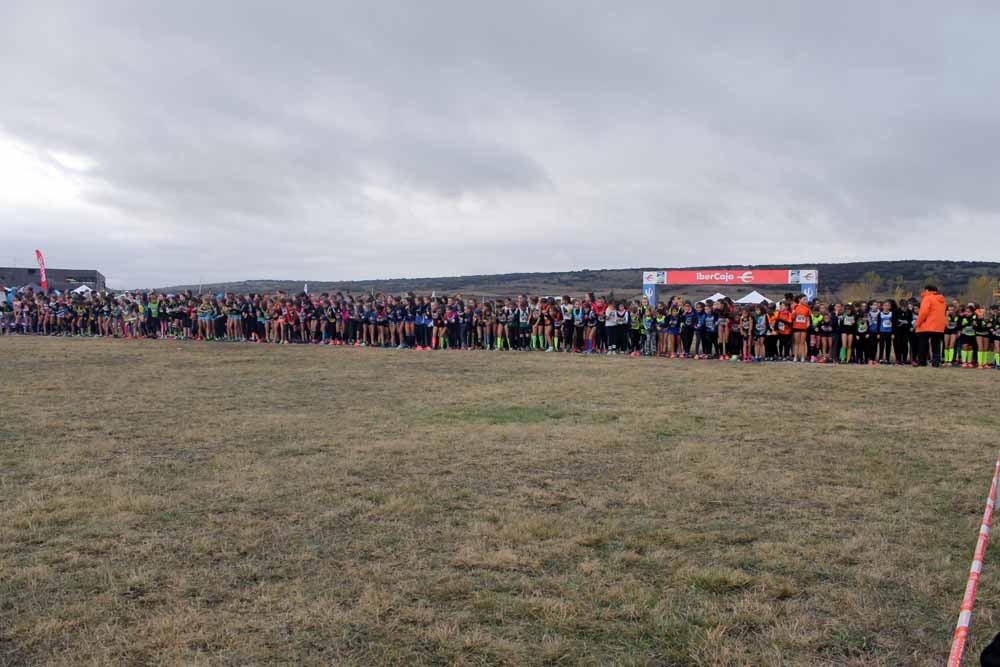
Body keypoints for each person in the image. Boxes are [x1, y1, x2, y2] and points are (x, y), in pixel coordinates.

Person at [915, 285, 947, 367]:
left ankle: (922, 362)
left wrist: (918, 323)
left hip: (927, 324)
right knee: (936, 344)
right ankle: (936, 362)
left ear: (927, 290)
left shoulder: (927, 298)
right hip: (939, 325)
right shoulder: (942, 300)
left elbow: (923, 312)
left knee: (923, 343)